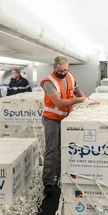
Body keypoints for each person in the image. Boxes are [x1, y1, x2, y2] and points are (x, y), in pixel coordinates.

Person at [41, 56, 86, 195]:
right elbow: (59, 103)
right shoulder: (49, 82)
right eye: (60, 71)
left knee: (63, 149)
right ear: (54, 68)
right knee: (51, 150)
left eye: (65, 70)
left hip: (66, 119)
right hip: (52, 120)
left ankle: (59, 177)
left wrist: (85, 99)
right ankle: (48, 182)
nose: (63, 73)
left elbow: (77, 91)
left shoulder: (70, 77)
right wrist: (79, 100)